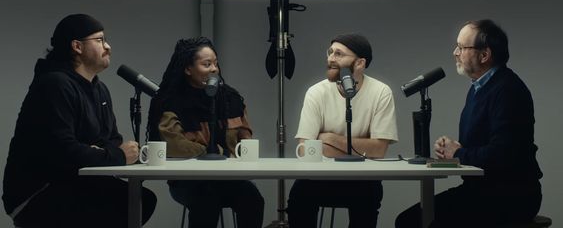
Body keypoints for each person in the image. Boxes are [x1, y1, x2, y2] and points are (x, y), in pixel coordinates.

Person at [2, 13, 157, 228]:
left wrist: (98, 152)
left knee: (141, 199)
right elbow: (64, 151)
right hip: (40, 192)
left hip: (75, 182)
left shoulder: (99, 89)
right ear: (77, 46)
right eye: (100, 40)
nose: (108, 46)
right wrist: (116, 154)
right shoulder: (54, 85)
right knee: (126, 203)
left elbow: (111, 140)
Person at [395, 19, 543, 228]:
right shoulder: (479, 88)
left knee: (418, 223)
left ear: (484, 55)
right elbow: (481, 144)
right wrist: (451, 148)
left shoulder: (508, 90)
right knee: (409, 221)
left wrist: (458, 153)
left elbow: (503, 154)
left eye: (462, 47)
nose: (455, 52)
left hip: (511, 195)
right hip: (481, 190)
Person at [147, 37, 264, 228]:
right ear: (188, 69)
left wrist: (239, 154)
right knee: (207, 200)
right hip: (189, 182)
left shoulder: (230, 98)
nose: (214, 69)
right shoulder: (171, 101)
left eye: (215, 64)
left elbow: (245, 138)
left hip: (228, 178)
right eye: (206, 64)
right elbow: (174, 145)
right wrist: (210, 152)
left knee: (252, 198)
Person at [287, 33, 399, 228]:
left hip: (362, 179)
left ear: (360, 63)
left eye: (339, 54)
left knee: (369, 196)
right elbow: (306, 150)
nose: (331, 58)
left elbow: (379, 149)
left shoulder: (381, 92)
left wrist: (328, 139)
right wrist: (362, 148)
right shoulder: (316, 92)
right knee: (299, 196)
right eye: (330, 52)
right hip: (319, 179)